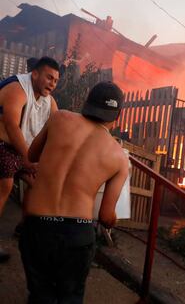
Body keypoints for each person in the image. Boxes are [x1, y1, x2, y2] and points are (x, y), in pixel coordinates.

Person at [19, 81, 128, 304]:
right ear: (118, 114)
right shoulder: (119, 157)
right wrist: (113, 221)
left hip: (37, 226)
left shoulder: (60, 118)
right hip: (76, 235)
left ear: (87, 101)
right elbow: (106, 217)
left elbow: (32, 155)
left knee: (40, 296)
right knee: (69, 297)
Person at [0, 57, 59, 262]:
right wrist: (27, 159)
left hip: (22, 150)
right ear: (35, 74)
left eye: (55, 80)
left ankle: (24, 230)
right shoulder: (17, 88)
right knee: (4, 186)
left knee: (38, 184)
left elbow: (57, 130)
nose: (52, 83)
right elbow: (11, 126)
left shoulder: (49, 101)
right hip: (2, 145)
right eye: (49, 77)